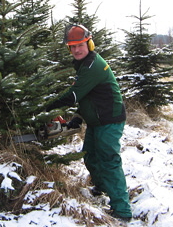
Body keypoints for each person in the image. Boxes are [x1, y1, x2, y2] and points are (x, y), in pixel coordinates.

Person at [45, 24, 132, 222]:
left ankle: (122, 210)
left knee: (109, 161)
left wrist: (47, 107)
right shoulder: (84, 64)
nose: (76, 50)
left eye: (80, 45)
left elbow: (74, 94)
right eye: (72, 46)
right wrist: (77, 117)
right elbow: (88, 97)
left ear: (89, 44)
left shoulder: (93, 65)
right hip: (96, 120)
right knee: (90, 156)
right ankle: (102, 187)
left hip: (109, 121)